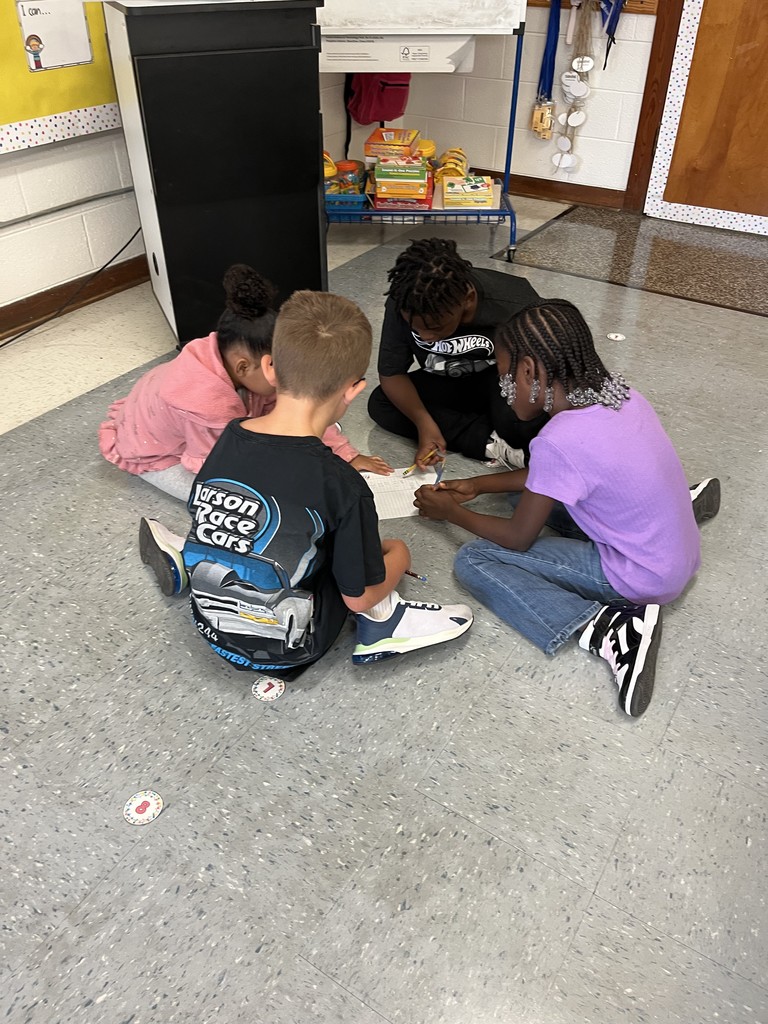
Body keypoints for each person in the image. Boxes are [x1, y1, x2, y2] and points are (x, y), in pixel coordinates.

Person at [413, 298, 720, 718]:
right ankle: (678, 503)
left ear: (528, 372)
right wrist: (478, 485)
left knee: (475, 561)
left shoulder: (558, 439)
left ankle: (609, 629)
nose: (505, 393)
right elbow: (553, 476)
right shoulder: (621, 393)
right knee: (523, 496)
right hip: (675, 548)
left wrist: (453, 514)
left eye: (506, 380)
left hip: (642, 576)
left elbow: (518, 539)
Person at [177, 289, 473, 680]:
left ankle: (181, 555)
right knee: (369, 573)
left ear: (269, 367)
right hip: (287, 649)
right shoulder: (343, 484)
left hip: (212, 628)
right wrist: (400, 555)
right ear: (354, 389)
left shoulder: (230, 436)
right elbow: (356, 597)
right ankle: (384, 626)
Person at [99, 264, 392, 503]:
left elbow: (289, 414)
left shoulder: (237, 361)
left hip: (176, 416)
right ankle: (174, 549)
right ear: (244, 366)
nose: (283, 376)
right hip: (156, 453)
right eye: (276, 366)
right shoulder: (203, 405)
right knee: (227, 502)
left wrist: (346, 455)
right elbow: (216, 468)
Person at [367, 237, 543, 472]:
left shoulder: (517, 305)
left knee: (524, 426)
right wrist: (423, 423)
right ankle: (491, 443)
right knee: (381, 403)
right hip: (446, 382)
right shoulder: (405, 300)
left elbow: (538, 378)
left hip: (501, 382)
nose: (425, 336)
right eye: (416, 329)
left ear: (467, 300)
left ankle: (495, 433)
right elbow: (392, 373)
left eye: (435, 327)